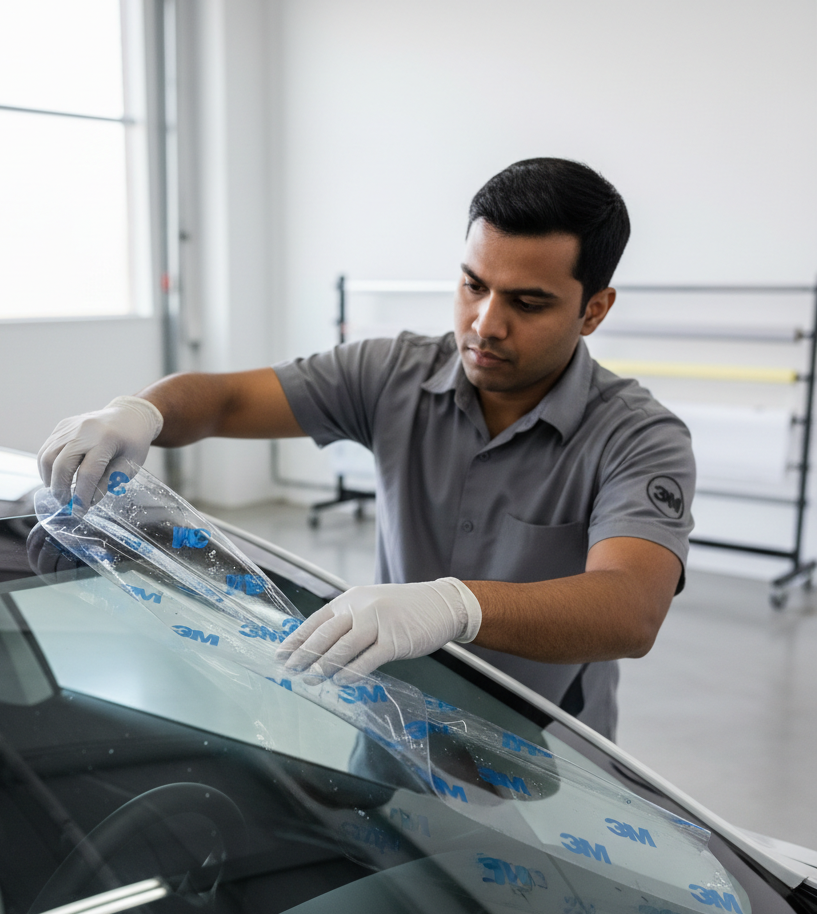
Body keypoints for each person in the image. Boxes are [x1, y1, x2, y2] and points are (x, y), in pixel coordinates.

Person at [38, 157, 694, 740]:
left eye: (528, 302)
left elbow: (630, 608)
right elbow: (226, 399)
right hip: (391, 714)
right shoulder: (391, 373)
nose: (486, 323)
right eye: (473, 286)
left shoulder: (637, 437)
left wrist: (455, 607)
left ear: (594, 310)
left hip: (553, 757)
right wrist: (143, 411)